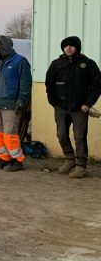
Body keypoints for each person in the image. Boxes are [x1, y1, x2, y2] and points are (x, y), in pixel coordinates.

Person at [45, 36, 101, 179]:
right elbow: (49, 83)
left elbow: (97, 85)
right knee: (61, 134)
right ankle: (69, 159)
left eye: (72, 45)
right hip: (61, 107)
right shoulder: (57, 64)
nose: (68, 48)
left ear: (77, 47)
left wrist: (87, 104)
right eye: (66, 46)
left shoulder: (88, 64)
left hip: (80, 108)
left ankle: (81, 166)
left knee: (79, 137)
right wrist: (53, 102)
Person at [0, 35, 32, 172]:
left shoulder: (20, 62)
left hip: (12, 104)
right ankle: (4, 157)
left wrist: (22, 99)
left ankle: (17, 160)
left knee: (10, 133)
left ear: (5, 47)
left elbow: (25, 83)